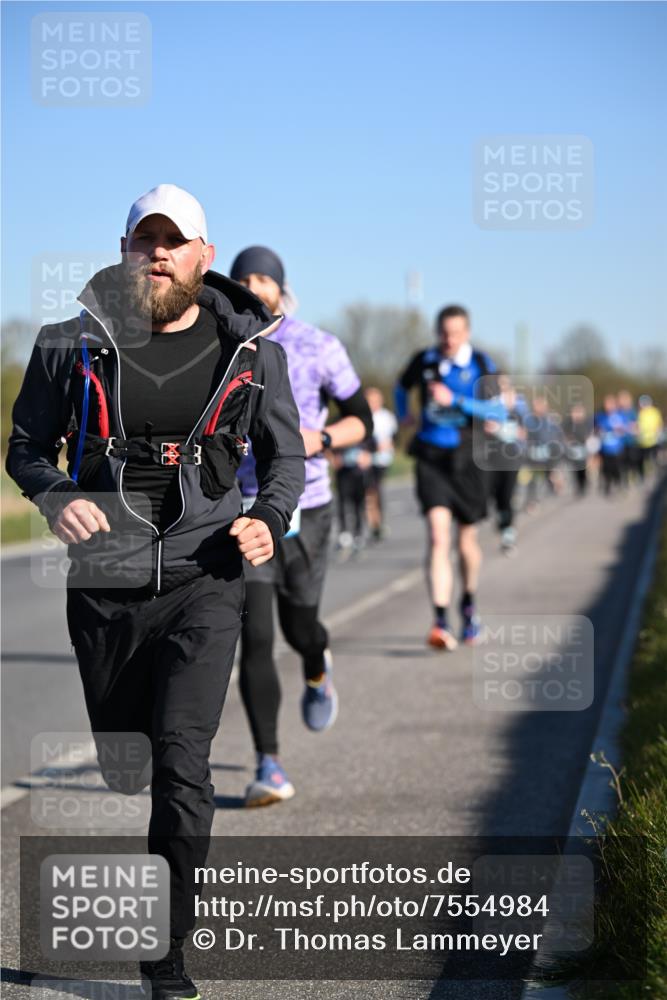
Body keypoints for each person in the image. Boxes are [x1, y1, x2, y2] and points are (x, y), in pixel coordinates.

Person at [6, 186, 306, 1000]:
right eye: (146, 241)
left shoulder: (254, 353)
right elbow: (26, 446)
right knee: (129, 764)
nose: (159, 254)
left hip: (205, 578)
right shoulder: (69, 342)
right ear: (125, 248)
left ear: (206, 254)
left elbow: (284, 462)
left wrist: (268, 519)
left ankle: (166, 952)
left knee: (183, 763)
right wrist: (55, 494)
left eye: (175, 242)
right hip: (105, 583)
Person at [230, 246, 373, 807]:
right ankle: (269, 764)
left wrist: (322, 440)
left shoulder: (318, 346)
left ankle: (318, 665)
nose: (252, 285)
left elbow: (361, 420)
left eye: (262, 277)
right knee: (256, 638)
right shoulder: (222, 347)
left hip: (307, 506)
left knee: (301, 628)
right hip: (242, 509)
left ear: (281, 289)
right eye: (243, 278)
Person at [395, 304, 503, 650]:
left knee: (465, 541)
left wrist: (457, 401)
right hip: (430, 455)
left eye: (455, 333)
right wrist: (404, 415)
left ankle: (468, 605)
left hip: (468, 457)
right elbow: (400, 387)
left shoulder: (482, 365)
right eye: (443, 332)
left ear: (467, 333)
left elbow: (497, 410)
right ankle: (440, 621)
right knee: (438, 537)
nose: (449, 339)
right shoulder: (424, 360)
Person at [483, 373, 528, 554]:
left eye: (504, 386)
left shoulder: (518, 410)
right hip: (491, 460)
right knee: (495, 498)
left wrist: (501, 430)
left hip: (511, 459)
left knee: (507, 497)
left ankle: (508, 537)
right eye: (498, 385)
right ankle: (502, 520)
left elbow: (523, 434)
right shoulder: (487, 408)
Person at [364, 386, 398, 542]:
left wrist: (386, 446)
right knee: (368, 492)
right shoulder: (362, 416)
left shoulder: (386, 417)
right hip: (365, 460)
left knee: (375, 490)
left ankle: (378, 522)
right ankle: (373, 523)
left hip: (381, 460)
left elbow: (393, 439)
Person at [523, 396, 565, 510]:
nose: (538, 408)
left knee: (550, 476)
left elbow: (558, 436)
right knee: (534, 480)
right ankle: (532, 502)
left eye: (541, 405)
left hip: (549, 455)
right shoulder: (529, 421)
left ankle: (556, 483)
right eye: (536, 405)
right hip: (535, 456)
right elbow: (525, 436)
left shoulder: (551, 420)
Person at [334, 440, 373, 553]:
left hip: (358, 472)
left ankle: (358, 533)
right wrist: (335, 456)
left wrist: (367, 456)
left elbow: (372, 446)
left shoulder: (364, 432)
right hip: (343, 470)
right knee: (342, 502)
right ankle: (344, 532)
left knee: (359, 504)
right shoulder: (341, 428)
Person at [595, 393, 626, 495]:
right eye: (606, 403)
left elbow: (625, 430)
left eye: (610, 403)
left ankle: (619, 483)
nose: (608, 406)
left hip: (617, 448)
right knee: (606, 469)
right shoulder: (600, 416)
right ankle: (607, 487)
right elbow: (596, 430)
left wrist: (619, 430)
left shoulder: (620, 416)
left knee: (616, 468)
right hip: (604, 448)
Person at [563, 402, 592, 497]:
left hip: (583, 449)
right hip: (573, 449)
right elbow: (564, 434)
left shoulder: (586, 423)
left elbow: (589, 435)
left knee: (582, 469)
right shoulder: (569, 423)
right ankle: (578, 487)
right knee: (574, 469)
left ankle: (583, 484)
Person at [636, 393, 663, 480]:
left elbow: (659, 424)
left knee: (653, 460)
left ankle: (655, 475)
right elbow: (637, 427)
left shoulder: (655, 412)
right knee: (642, 460)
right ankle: (643, 476)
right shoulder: (639, 413)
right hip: (642, 442)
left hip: (653, 441)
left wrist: (657, 433)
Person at [617, 389, 639, 484]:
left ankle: (632, 474)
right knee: (622, 462)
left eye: (624, 399)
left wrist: (633, 428)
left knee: (632, 460)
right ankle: (624, 478)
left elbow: (636, 426)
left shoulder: (632, 412)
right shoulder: (617, 412)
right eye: (621, 399)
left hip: (631, 441)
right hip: (620, 442)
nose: (622, 401)